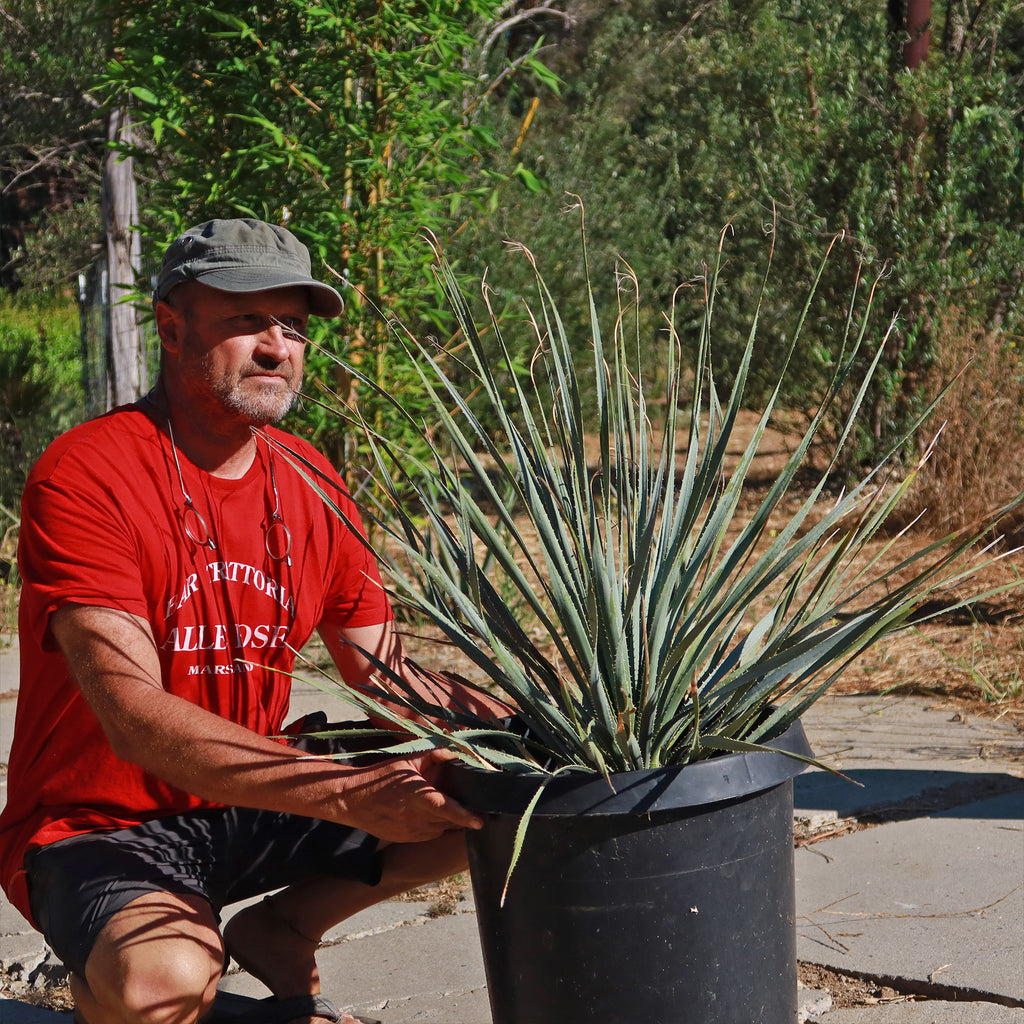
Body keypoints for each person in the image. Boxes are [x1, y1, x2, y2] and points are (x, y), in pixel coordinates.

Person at [0, 218, 506, 1024]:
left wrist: (533, 727)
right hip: (105, 823)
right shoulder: (87, 473)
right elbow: (132, 716)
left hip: (251, 795)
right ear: (171, 327)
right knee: (161, 984)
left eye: (294, 327)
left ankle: (281, 929)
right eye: (246, 321)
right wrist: (344, 793)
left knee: (498, 797)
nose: (278, 346)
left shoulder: (311, 477)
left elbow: (383, 673)